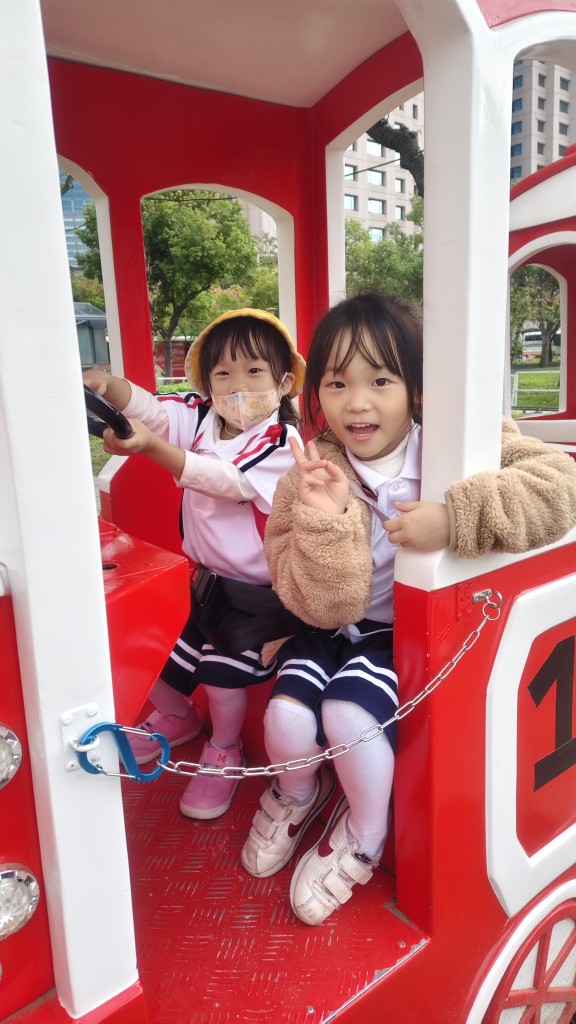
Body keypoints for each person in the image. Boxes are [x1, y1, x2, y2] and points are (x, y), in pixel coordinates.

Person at [240, 291, 576, 926]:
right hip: (333, 625)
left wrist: (456, 518)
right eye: (337, 383)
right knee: (285, 715)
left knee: (348, 714)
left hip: (407, 634)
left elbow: (560, 485)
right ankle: (297, 792)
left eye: (380, 380)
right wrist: (328, 521)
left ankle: (364, 837)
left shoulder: (458, 442)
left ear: (416, 389)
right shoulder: (307, 472)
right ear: (317, 394)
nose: (356, 403)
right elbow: (316, 601)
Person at [83, 308, 308, 820]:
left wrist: (154, 450)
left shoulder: (281, 443)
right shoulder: (204, 416)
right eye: (223, 373)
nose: (238, 385)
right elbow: (154, 411)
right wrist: (111, 386)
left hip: (256, 598)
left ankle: (224, 748)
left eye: (254, 371)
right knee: (151, 649)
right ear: (207, 383)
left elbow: (226, 480)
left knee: (222, 681)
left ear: (283, 381)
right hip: (203, 584)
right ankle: (176, 716)